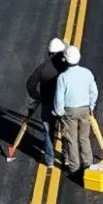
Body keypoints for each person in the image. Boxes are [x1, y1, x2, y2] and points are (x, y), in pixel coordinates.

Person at [53, 45, 98, 175]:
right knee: (84, 138)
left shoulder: (63, 77)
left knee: (71, 139)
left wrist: (59, 112)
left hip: (69, 111)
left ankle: (74, 167)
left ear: (66, 60)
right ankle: (88, 164)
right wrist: (91, 106)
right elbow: (93, 91)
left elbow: (59, 97)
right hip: (85, 109)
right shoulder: (87, 73)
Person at [25, 38, 68, 168]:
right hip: (64, 105)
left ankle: (49, 160)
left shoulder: (42, 68)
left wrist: (37, 97)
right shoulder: (66, 68)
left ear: (50, 53)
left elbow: (30, 84)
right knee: (66, 131)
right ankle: (66, 157)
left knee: (48, 133)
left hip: (47, 105)